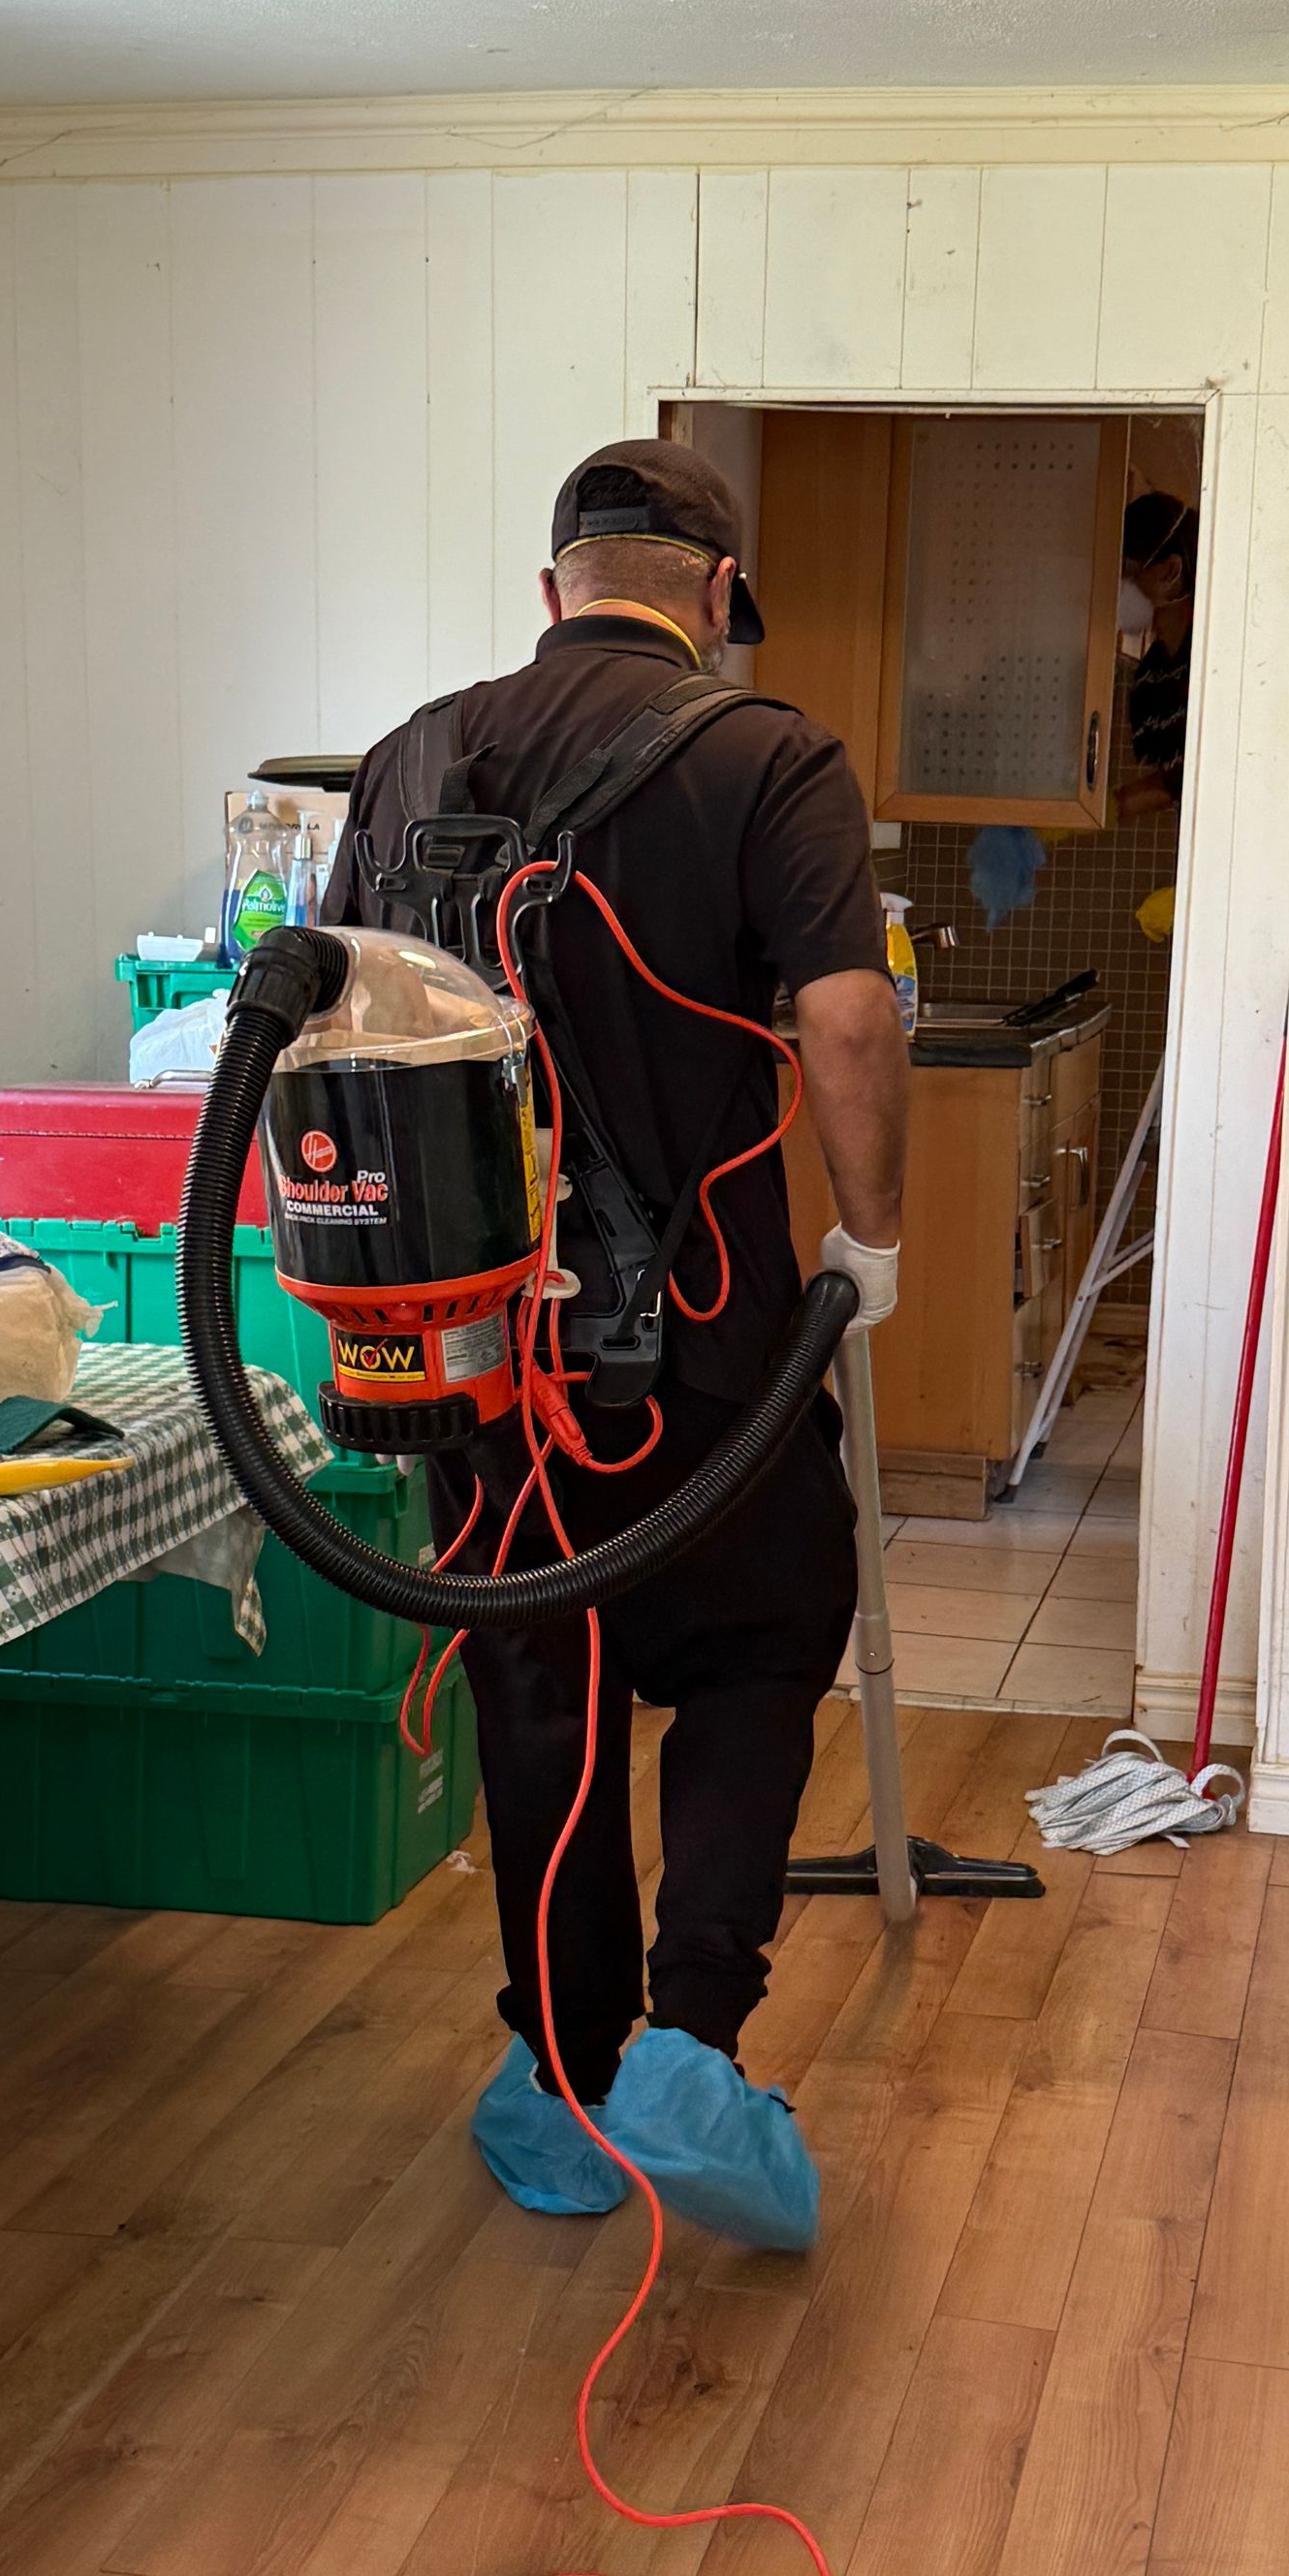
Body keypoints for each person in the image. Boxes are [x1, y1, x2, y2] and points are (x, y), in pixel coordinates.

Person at [324, 438, 908, 2250]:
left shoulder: (409, 756)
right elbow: (847, 1019)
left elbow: (324, 1026)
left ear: (552, 585)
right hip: (711, 1341)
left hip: (476, 1362)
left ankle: (565, 2082)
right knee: (761, 1643)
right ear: (718, 593)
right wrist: (872, 1242)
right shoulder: (769, 754)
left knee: (539, 1688)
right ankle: (686, 2051)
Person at [1116, 488, 1198, 816]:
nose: (1118, 587)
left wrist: (1109, 807)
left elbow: (1190, 777)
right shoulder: (1150, 677)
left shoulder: (1215, 658)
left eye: (1127, 571)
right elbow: (1170, 779)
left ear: (1169, 571)